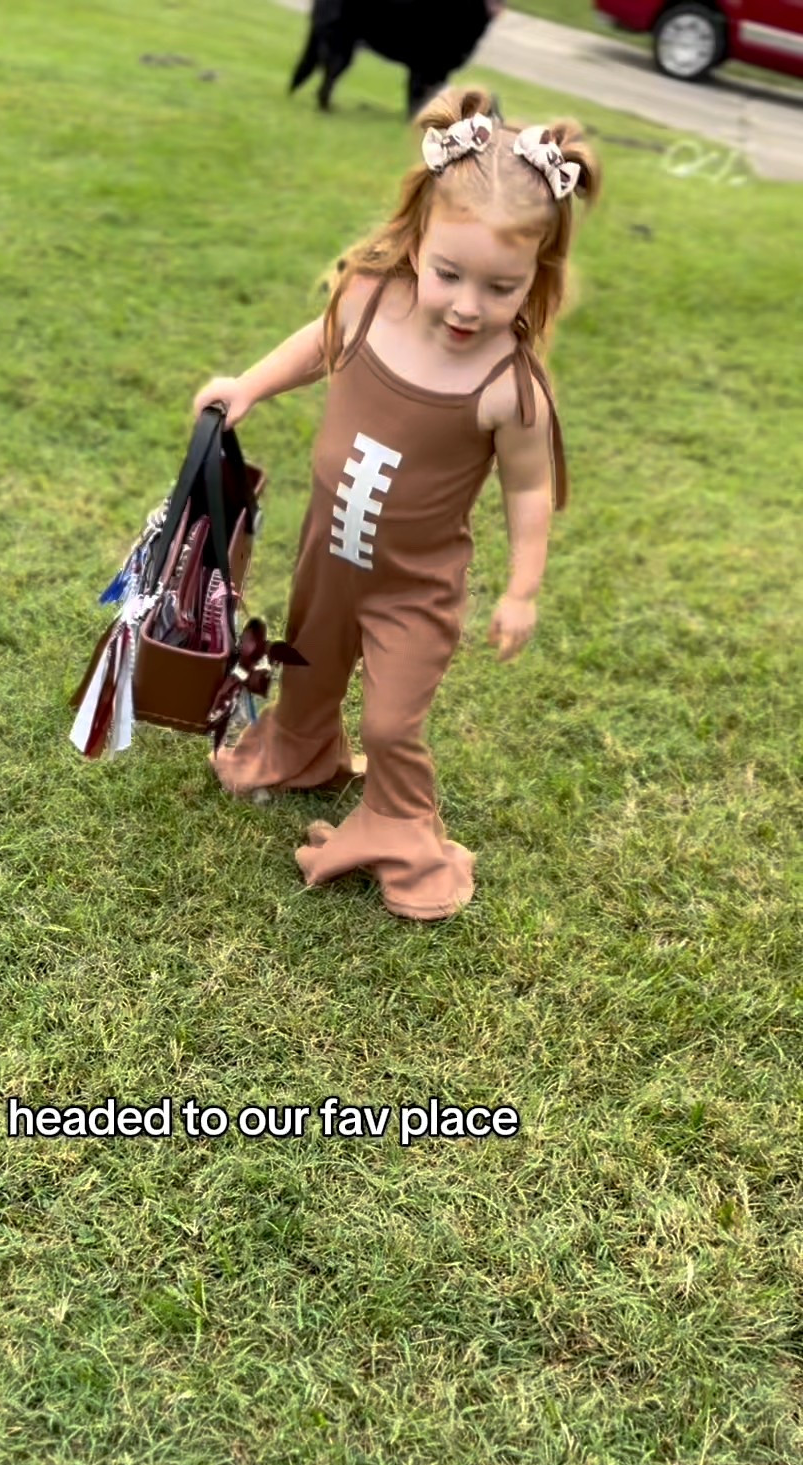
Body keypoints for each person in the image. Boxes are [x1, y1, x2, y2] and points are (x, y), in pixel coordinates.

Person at [193, 86, 600, 921]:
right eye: (450, 273)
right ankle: (299, 752)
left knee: (390, 724)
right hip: (327, 556)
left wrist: (523, 590)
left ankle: (407, 834)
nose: (465, 305)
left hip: (414, 585)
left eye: (500, 287)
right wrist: (250, 387)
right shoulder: (372, 299)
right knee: (305, 666)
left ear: (537, 277)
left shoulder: (507, 386)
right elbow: (318, 344)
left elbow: (527, 488)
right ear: (417, 237)